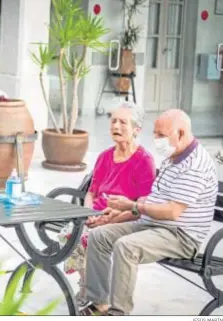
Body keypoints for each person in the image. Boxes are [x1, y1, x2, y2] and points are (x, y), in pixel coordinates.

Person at [80, 109, 218, 316]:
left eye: (161, 135)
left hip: (180, 235)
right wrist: (118, 213)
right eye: (155, 133)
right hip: (153, 224)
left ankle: (118, 313)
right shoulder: (174, 155)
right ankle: (98, 302)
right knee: (99, 236)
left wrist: (133, 206)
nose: (155, 140)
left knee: (126, 246)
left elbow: (172, 212)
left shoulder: (194, 165)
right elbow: (152, 198)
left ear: (180, 134)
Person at [60, 102, 156, 305]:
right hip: (95, 215)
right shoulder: (104, 156)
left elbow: (141, 205)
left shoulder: (144, 160)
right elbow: (92, 193)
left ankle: (95, 294)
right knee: (69, 233)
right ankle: (87, 284)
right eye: (113, 121)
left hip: (122, 219)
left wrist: (109, 219)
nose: (116, 126)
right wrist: (88, 213)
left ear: (136, 130)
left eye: (123, 122)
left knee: (91, 237)